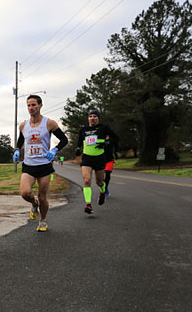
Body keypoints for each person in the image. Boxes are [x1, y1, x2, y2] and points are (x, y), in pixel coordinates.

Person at [13, 95, 68, 232]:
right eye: (29, 105)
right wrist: (17, 150)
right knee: (25, 193)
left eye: (33, 105)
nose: (31, 108)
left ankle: (43, 220)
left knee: (42, 197)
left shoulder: (49, 123)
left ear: (40, 106)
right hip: (29, 165)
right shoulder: (23, 125)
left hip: (44, 165)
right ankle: (33, 204)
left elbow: (64, 140)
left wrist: (55, 149)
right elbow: (21, 140)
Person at [75, 110, 119, 214]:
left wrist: (105, 142)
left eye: (95, 116)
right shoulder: (83, 130)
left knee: (99, 182)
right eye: (90, 116)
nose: (92, 118)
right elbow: (79, 141)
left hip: (99, 158)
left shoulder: (103, 128)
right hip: (87, 158)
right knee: (86, 180)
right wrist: (77, 149)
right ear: (88, 118)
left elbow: (115, 138)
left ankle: (103, 192)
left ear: (98, 118)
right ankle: (88, 205)